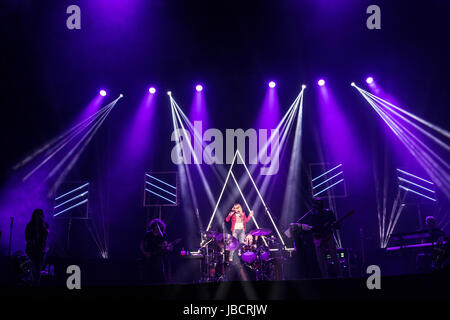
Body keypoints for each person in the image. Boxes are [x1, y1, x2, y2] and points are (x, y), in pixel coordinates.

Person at [309, 198, 341, 278]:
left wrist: (334, 225)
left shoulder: (328, 212)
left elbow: (334, 223)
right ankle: (325, 277)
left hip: (328, 235)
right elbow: (313, 227)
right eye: (317, 203)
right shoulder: (313, 215)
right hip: (319, 237)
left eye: (319, 203)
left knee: (334, 256)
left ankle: (340, 275)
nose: (318, 205)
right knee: (321, 260)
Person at [140, 218, 173, 284]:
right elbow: (141, 244)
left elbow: (165, 244)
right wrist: (145, 253)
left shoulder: (163, 234)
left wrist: (168, 247)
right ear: (153, 226)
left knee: (160, 275)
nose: (157, 228)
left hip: (159, 257)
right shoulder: (148, 234)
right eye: (155, 226)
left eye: (158, 227)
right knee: (148, 275)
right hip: (149, 257)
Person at [25, 209, 49, 285]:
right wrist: (31, 241)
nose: (38, 216)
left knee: (38, 267)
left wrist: (43, 226)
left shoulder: (45, 225)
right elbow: (27, 237)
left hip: (40, 249)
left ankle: (36, 283)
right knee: (32, 266)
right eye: (37, 214)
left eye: (40, 214)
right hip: (31, 249)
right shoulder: (30, 225)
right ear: (34, 215)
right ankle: (31, 281)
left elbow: (46, 235)